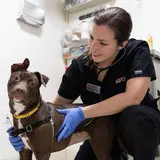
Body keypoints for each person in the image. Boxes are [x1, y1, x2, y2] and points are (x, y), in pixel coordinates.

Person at [7, 6, 160, 160]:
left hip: (137, 127)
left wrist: (82, 113)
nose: (93, 48)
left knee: (135, 116)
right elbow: (55, 109)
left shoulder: (136, 51)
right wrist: (28, 126)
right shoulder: (80, 66)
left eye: (103, 43)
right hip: (99, 127)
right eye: (92, 37)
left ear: (122, 44)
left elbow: (133, 98)